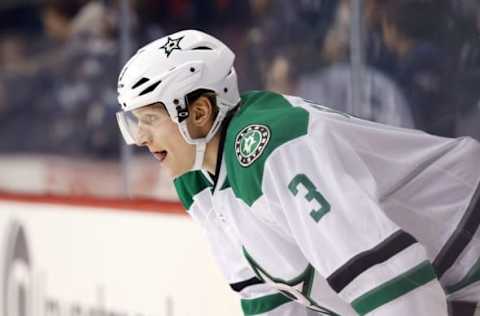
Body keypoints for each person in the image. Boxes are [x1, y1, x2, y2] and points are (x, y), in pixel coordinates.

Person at [115, 30, 480, 315]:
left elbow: (393, 284)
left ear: (198, 113)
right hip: (452, 282)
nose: (139, 138)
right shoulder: (197, 176)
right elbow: (268, 298)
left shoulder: (273, 147)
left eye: (149, 119)